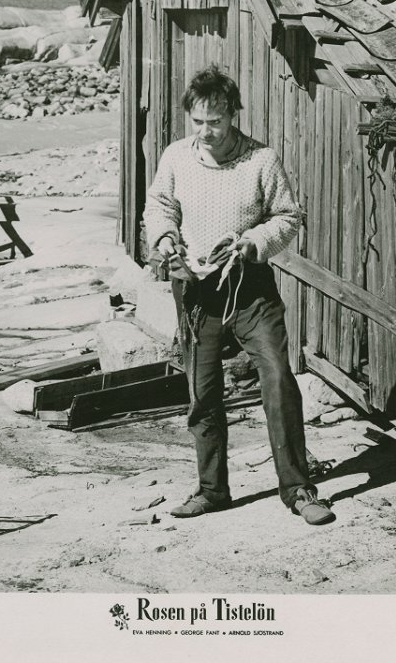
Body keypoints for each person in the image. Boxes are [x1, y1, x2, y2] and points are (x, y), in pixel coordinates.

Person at [143, 64, 334, 526]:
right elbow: (159, 205)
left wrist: (253, 243)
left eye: (216, 121)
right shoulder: (175, 157)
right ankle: (213, 490)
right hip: (195, 291)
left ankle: (298, 488)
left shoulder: (260, 160)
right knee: (202, 392)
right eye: (198, 121)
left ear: (233, 115)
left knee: (277, 380)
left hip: (250, 290)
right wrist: (166, 237)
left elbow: (287, 216)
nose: (206, 132)